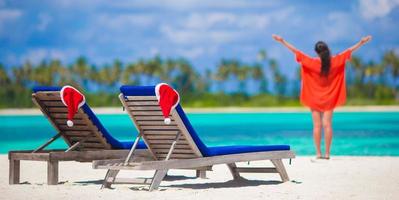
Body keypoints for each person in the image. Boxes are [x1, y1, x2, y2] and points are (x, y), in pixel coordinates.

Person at [272, 34, 372, 159]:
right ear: (327, 49)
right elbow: (348, 51)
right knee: (327, 124)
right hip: (330, 97)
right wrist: (361, 42)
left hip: (314, 97)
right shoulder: (335, 61)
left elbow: (296, 51)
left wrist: (282, 41)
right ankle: (327, 153)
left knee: (317, 125)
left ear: (316, 52)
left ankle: (318, 153)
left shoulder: (312, 62)